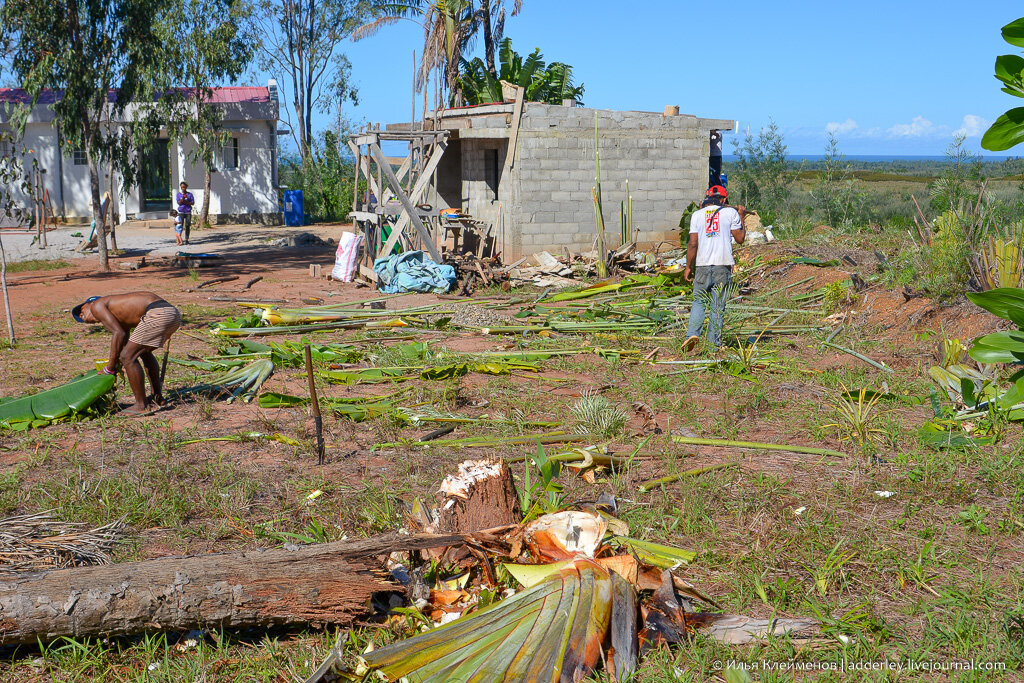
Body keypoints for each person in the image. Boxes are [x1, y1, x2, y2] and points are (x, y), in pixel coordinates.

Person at [71, 292, 182, 416]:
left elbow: (118, 334)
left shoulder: (97, 305)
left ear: (90, 303)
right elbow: (123, 341)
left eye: (81, 311)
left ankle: (141, 405)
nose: (81, 316)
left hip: (157, 313)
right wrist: (117, 362)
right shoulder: (122, 312)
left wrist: (110, 368)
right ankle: (157, 397)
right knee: (142, 353)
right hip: (172, 313)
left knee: (128, 356)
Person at [682, 185, 747, 351]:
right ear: (724, 200)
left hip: (702, 265)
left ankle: (692, 335)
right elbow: (740, 238)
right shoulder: (730, 212)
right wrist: (741, 215)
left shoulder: (696, 216)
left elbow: (692, 243)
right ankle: (713, 345)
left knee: (698, 301)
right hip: (722, 265)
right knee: (718, 305)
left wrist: (688, 266)